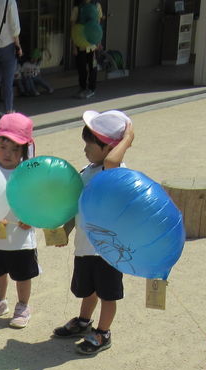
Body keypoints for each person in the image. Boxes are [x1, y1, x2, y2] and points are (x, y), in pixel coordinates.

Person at [52, 110, 133, 355]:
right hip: (85, 246)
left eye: (90, 145)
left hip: (109, 250)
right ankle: (84, 321)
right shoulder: (87, 170)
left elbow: (112, 161)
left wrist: (127, 138)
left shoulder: (114, 171)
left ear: (110, 148)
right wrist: (65, 230)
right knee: (88, 289)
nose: (85, 149)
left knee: (108, 294)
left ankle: (103, 333)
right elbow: (76, 206)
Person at [0, 113, 38, 329]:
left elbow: (38, 201)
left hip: (21, 237)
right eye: (3, 147)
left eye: (15, 149)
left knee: (23, 274)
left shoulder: (28, 174)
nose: (7, 153)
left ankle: (23, 306)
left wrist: (30, 219)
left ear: (24, 151)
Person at [71, 0, 104, 99]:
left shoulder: (97, 5)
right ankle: (82, 87)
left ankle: (91, 89)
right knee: (81, 67)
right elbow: (73, 27)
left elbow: (98, 24)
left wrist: (99, 42)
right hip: (80, 43)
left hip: (93, 44)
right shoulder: (77, 8)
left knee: (93, 67)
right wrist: (74, 46)